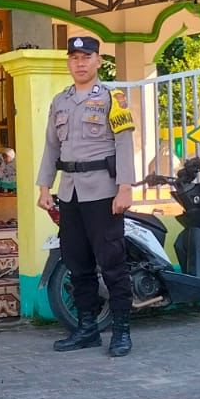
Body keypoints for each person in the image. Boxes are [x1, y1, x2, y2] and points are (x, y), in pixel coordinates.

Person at [38, 34, 137, 357]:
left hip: (103, 192)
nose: (79, 63)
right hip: (69, 192)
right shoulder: (60, 101)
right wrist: (44, 187)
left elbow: (124, 144)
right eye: (74, 58)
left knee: (112, 263)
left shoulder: (113, 97)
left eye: (86, 57)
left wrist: (125, 187)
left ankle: (121, 331)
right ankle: (87, 329)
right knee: (76, 262)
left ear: (98, 61)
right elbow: (52, 146)